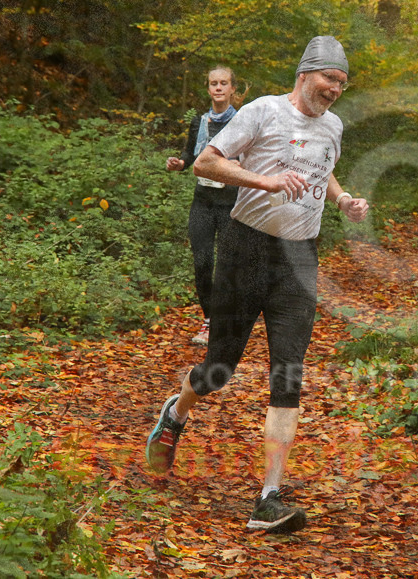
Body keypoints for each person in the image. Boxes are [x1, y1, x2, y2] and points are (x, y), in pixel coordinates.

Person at [146, 36, 369, 534]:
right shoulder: (263, 112)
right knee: (219, 369)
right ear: (304, 73)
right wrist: (264, 180)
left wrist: (343, 199)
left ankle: (268, 497)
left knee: (288, 374)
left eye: (342, 83)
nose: (335, 90)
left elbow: (324, 169)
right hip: (246, 251)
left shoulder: (332, 126)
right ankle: (175, 415)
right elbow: (207, 163)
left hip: (299, 259)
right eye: (329, 79)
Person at [166, 66, 242, 345]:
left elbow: (253, 158)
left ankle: (226, 322)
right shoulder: (200, 121)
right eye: (213, 83)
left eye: (224, 83)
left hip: (231, 203)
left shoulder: (243, 121)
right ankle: (209, 321)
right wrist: (180, 163)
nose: (218, 88)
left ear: (233, 88)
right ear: (208, 88)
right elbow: (190, 153)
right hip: (203, 201)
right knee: (202, 262)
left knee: (227, 265)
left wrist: (238, 165)